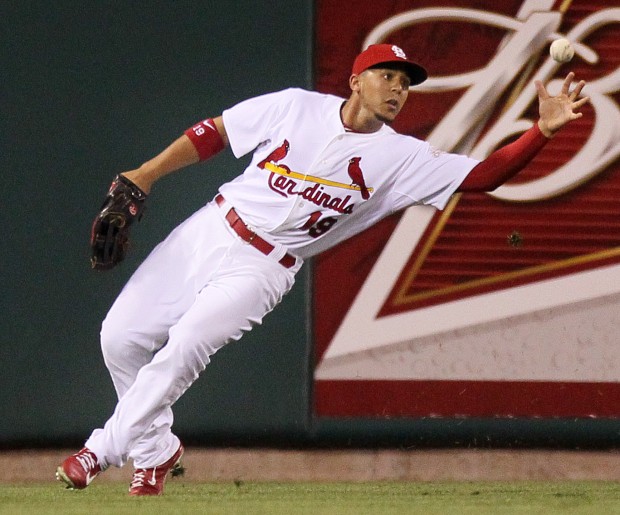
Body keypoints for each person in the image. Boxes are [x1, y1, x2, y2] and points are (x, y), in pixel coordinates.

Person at [56, 44, 589, 495]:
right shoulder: (296, 107)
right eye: (387, 76)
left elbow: (485, 176)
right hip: (211, 228)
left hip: (263, 268)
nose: (398, 88)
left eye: (406, 82)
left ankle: (99, 451)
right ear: (357, 80)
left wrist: (540, 132)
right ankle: (155, 448)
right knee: (119, 337)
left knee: (188, 343)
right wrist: (145, 174)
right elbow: (214, 133)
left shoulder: (401, 158)